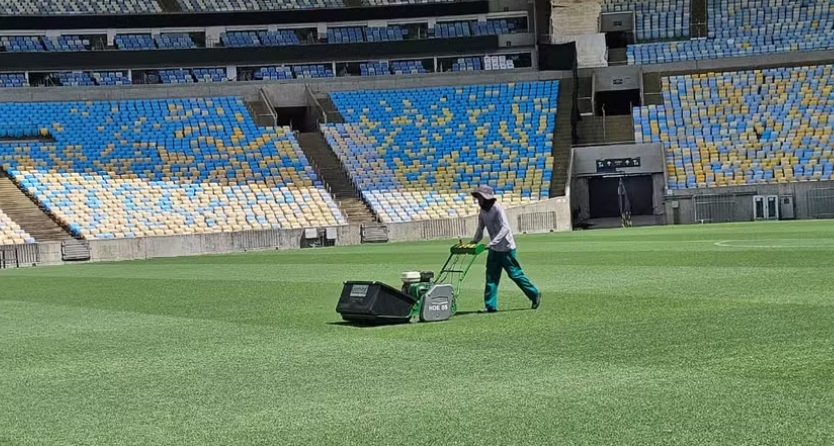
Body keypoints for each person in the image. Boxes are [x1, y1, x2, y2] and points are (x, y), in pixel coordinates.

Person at [469, 185, 541, 313]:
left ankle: (534, 293)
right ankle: (490, 306)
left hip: (506, 248)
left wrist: (492, 242)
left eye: (480, 197)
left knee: (515, 274)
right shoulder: (483, 211)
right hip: (494, 250)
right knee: (491, 277)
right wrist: (474, 242)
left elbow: (505, 228)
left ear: (486, 197)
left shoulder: (497, 208)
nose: (478, 200)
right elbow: (480, 229)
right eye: (478, 198)